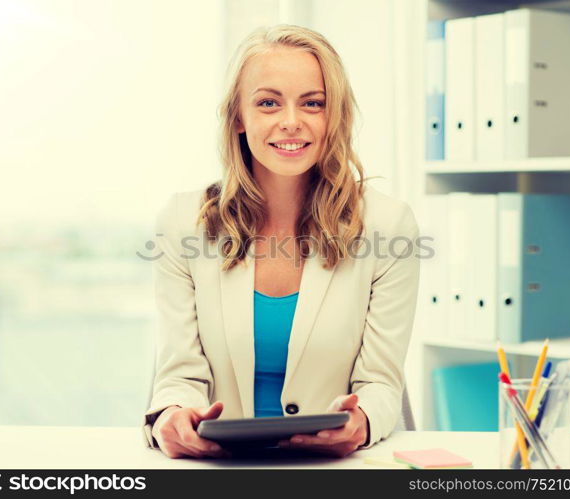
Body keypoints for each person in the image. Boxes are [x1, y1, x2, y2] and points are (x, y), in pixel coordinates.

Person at [142, 24, 420, 459]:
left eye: (313, 103)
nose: (291, 122)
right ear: (238, 116)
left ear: (335, 115)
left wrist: (360, 422)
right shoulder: (182, 223)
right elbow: (179, 374)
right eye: (268, 103)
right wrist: (172, 416)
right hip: (218, 468)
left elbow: (380, 383)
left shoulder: (387, 226)